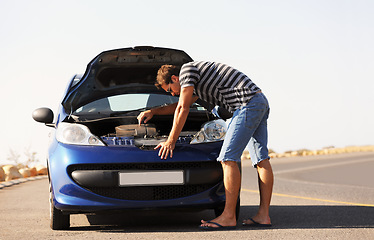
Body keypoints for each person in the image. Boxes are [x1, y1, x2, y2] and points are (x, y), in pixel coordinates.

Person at [137, 62, 273, 230]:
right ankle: (263, 215)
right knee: (261, 160)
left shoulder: (187, 70)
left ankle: (228, 216)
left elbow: (182, 107)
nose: (173, 93)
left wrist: (171, 141)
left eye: (170, 89)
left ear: (175, 78)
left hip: (246, 105)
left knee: (228, 158)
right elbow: (178, 105)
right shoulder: (196, 81)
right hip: (258, 100)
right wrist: (154, 111)